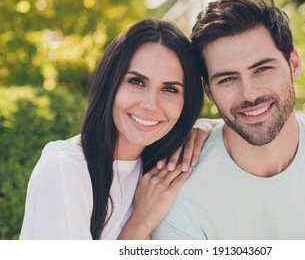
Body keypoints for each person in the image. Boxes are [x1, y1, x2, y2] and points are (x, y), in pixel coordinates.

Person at [151, 0, 305, 239]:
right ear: (209, 91)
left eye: (262, 69)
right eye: (228, 79)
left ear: (293, 64)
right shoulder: (180, 191)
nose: (249, 94)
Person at [19, 19, 211, 240]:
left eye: (169, 89)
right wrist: (140, 222)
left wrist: (201, 126)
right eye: (137, 82)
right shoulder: (66, 168)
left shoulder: (158, 166)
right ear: (111, 83)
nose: (150, 104)